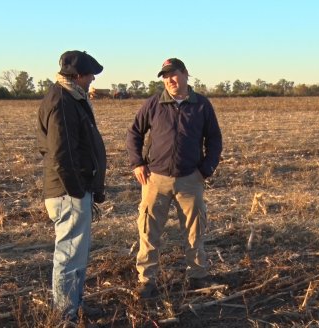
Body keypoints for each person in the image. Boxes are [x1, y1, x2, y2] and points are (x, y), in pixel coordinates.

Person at [126, 58, 223, 298]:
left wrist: (205, 170)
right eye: (165, 76)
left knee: (194, 230)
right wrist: (137, 162)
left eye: (173, 74)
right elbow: (134, 133)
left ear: (185, 74)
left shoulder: (201, 105)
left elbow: (214, 140)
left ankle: (198, 275)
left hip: (191, 178)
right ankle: (147, 280)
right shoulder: (154, 104)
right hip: (155, 179)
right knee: (148, 230)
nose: (169, 80)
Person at [36, 50, 106, 320]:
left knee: (76, 255)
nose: (91, 81)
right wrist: (77, 190)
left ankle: (74, 306)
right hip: (68, 192)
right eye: (90, 76)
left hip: (74, 190)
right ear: (78, 76)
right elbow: (60, 153)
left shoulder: (70, 97)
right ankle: (65, 315)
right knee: (68, 255)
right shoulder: (62, 100)